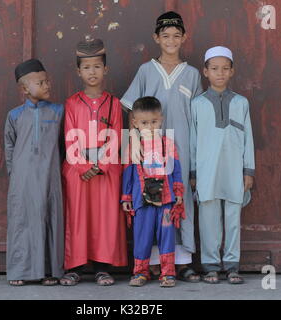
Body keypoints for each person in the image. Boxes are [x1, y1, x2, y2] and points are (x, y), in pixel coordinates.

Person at [121, 11, 203, 282]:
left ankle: (182, 260)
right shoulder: (146, 70)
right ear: (156, 38)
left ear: (184, 38)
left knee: (180, 202)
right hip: (151, 151)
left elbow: (199, 115)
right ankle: (153, 261)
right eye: (165, 36)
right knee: (151, 203)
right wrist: (133, 140)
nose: (170, 41)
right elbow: (132, 109)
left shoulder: (191, 75)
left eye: (176, 36)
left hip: (182, 148)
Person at [60, 39, 128, 286]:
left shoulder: (114, 103)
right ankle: (75, 267)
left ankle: (102, 267)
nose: (92, 72)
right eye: (86, 67)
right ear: (78, 71)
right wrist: (84, 167)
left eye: (97, 67)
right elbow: (70, 138)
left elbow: (117, 136)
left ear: (105, 69)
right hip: (79, 171)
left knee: (104, 218)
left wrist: (101, 165)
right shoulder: (71, 103)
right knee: (78, 217)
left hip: (106, 171)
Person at [190, 46, 255, 285]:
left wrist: (248, 170)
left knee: (232, 218)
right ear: (205, 71)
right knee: (208, 219)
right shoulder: (197, 104)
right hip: (207, 172)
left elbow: (248, 138)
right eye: (214, 69)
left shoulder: (241, 103)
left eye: (225, 69)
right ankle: (210, 266)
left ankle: (232, 265)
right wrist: (193, 172)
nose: (220, 73)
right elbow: (193, 141)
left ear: (232, 71)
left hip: (234, 171)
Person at [4, 59, 64, 286]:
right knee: (22, 221)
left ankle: (50, 272)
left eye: (47, 80)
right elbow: (9, 147)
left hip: (50, 176)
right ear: (25, 89)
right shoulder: (15, 116)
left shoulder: (58, 111)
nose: (47, 85)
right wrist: (15, 176)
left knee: (50, 219)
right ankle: (19, 271)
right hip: (23, 179)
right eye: (41, 82)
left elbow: (64, 145)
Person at [122, 97, 185, 288]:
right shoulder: (132, 146)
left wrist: (178, 191)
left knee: (167, 235)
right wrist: (126, 196)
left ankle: (168, 273)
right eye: (144, 123)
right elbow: (128, 173)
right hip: (142, 199)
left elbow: (177, 170)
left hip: (165, 199)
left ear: (161, 120)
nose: (149, 127)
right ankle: (140, 272)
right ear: (135, 123)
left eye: (154, 122)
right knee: (142, 235)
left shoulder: (168, 144)